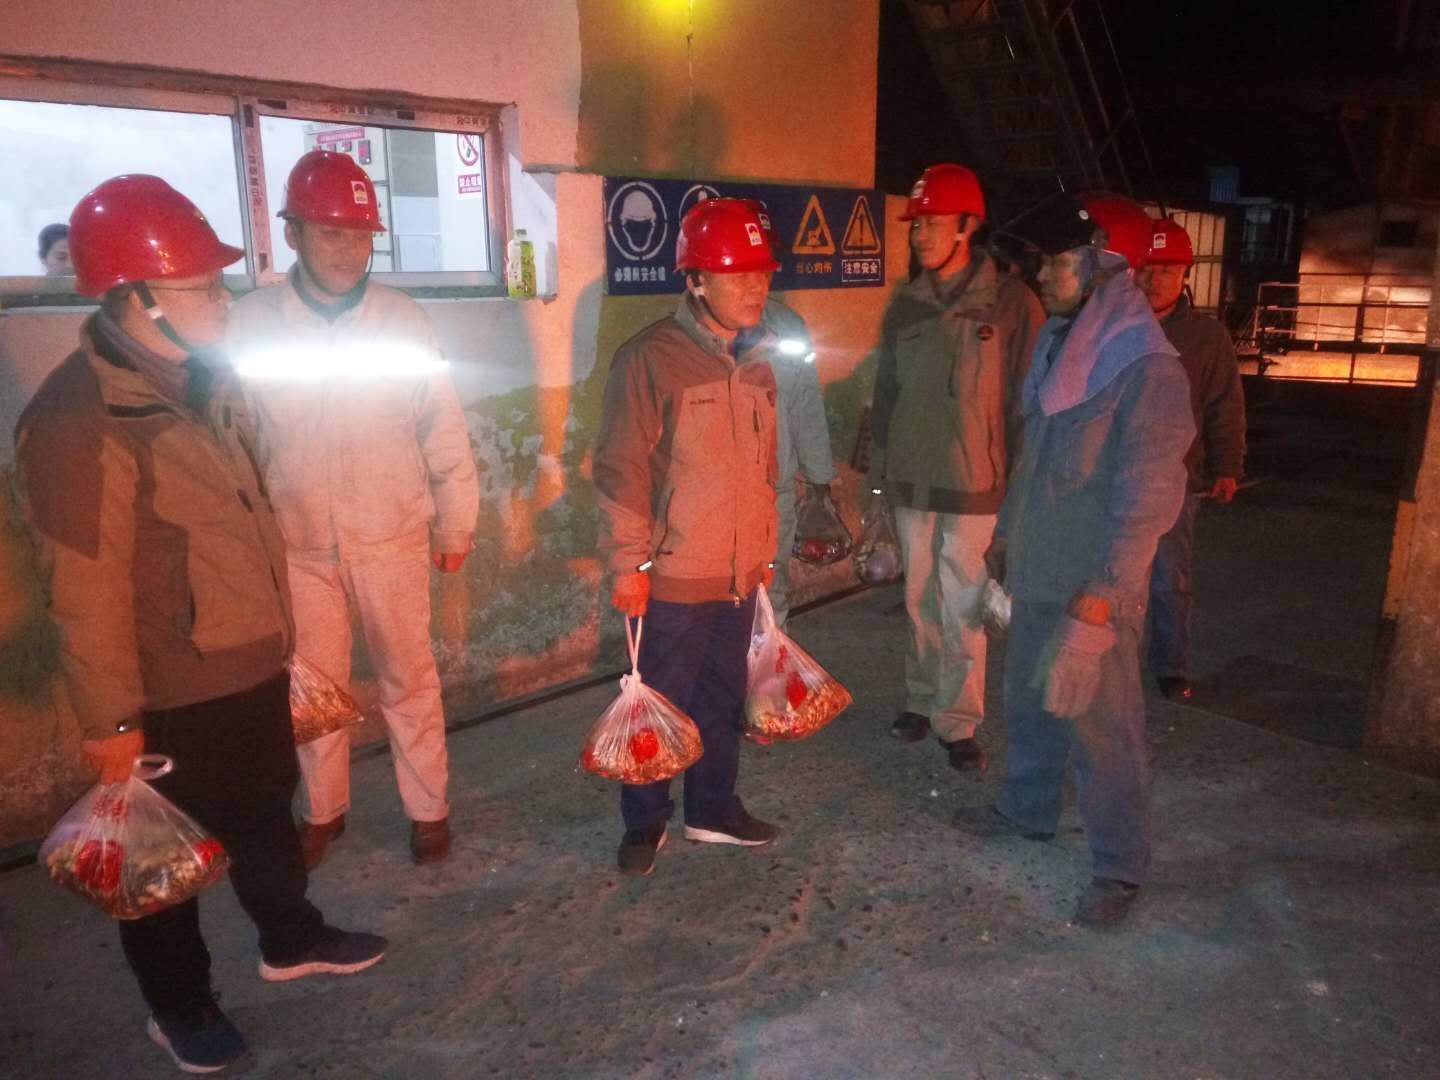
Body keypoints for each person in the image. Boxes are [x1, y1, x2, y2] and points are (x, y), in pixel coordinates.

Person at [14, 175, 386, 1074]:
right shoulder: (77, 421)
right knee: (158, 866)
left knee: (264, 813)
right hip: (167, 689)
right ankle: (179, 1007)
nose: (225, 299)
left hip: (249, 663)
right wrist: (110, 721)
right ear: (137, 298)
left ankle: (290, 938)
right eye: (204, 286)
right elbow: (84, 590)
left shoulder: (205, 381)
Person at [227, 150, 479, 868]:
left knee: (409, 680)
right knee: (313, 691)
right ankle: (323, 811)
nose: (349, 250)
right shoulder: (250, 324)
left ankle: (428, 811)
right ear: (293, 234)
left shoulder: (403, 321)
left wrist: (456, 520)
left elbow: (442, 425)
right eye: (331, 233)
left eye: (361, 235)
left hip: (391, 535)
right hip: (296, 543)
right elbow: (234, 437)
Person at [954, 191, 1195, 927]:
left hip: (1094, 584)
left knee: (1103, 727)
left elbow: (1149, 498)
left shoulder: (1146, 369)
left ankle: (1119, 867)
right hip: (1039, 567)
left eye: (1059, 262)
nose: (1043, 275)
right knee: (1031, 701)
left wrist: (1104, 593)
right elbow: (1036, 461)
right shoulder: (1065, 346)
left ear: (1105, 266)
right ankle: (1027, 810)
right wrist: (1005, 540)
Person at [595, 197, 783, 877]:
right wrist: (627, 563)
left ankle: (713, 810)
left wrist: (763, 552)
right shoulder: (650, 360)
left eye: (762, 273)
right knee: (660, 706)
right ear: (697, 281)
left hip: (737, 574)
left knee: (723, 700)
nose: (756, 287)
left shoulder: (760, 362)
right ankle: (645, 821)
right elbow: (620, 467)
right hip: (671, 575)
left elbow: (765, 468)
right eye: (738, 275)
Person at [868, 163, 1044, 772]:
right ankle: (921, 700)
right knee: (918, 599)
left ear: (968, 226)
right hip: (912, 479)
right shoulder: (907, 302)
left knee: (963, 604)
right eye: (916, 225)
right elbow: (885, 392)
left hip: (976, 483)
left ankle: (959, 721)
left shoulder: (1012, 303)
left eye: (932, 223)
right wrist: (877, 475)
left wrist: (1021, 485)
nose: (919, 235)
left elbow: (1029, 401)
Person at [1137, 217, 1246, 700]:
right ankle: (1112, 663)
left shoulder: (1206, 336)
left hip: (1176, 479)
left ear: (1186, 273)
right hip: (1117, 475)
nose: (1154, 279)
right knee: (1114, 577)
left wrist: (1227, 466)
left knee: (1169, 577)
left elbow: (1224, 403)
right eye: (1146, 268)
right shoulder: (1117, 327)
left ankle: (1170, 665)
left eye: (1166, 269)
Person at [741, 201, 836, 627]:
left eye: (764, 267)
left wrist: (819, 480)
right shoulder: (693, 335)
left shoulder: (789, 326)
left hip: (773, 493)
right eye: (745, 266)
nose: (757, 281)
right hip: (714, 500)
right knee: (722, 605)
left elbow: (805, 403)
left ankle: (770, 669)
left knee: (771, 593)